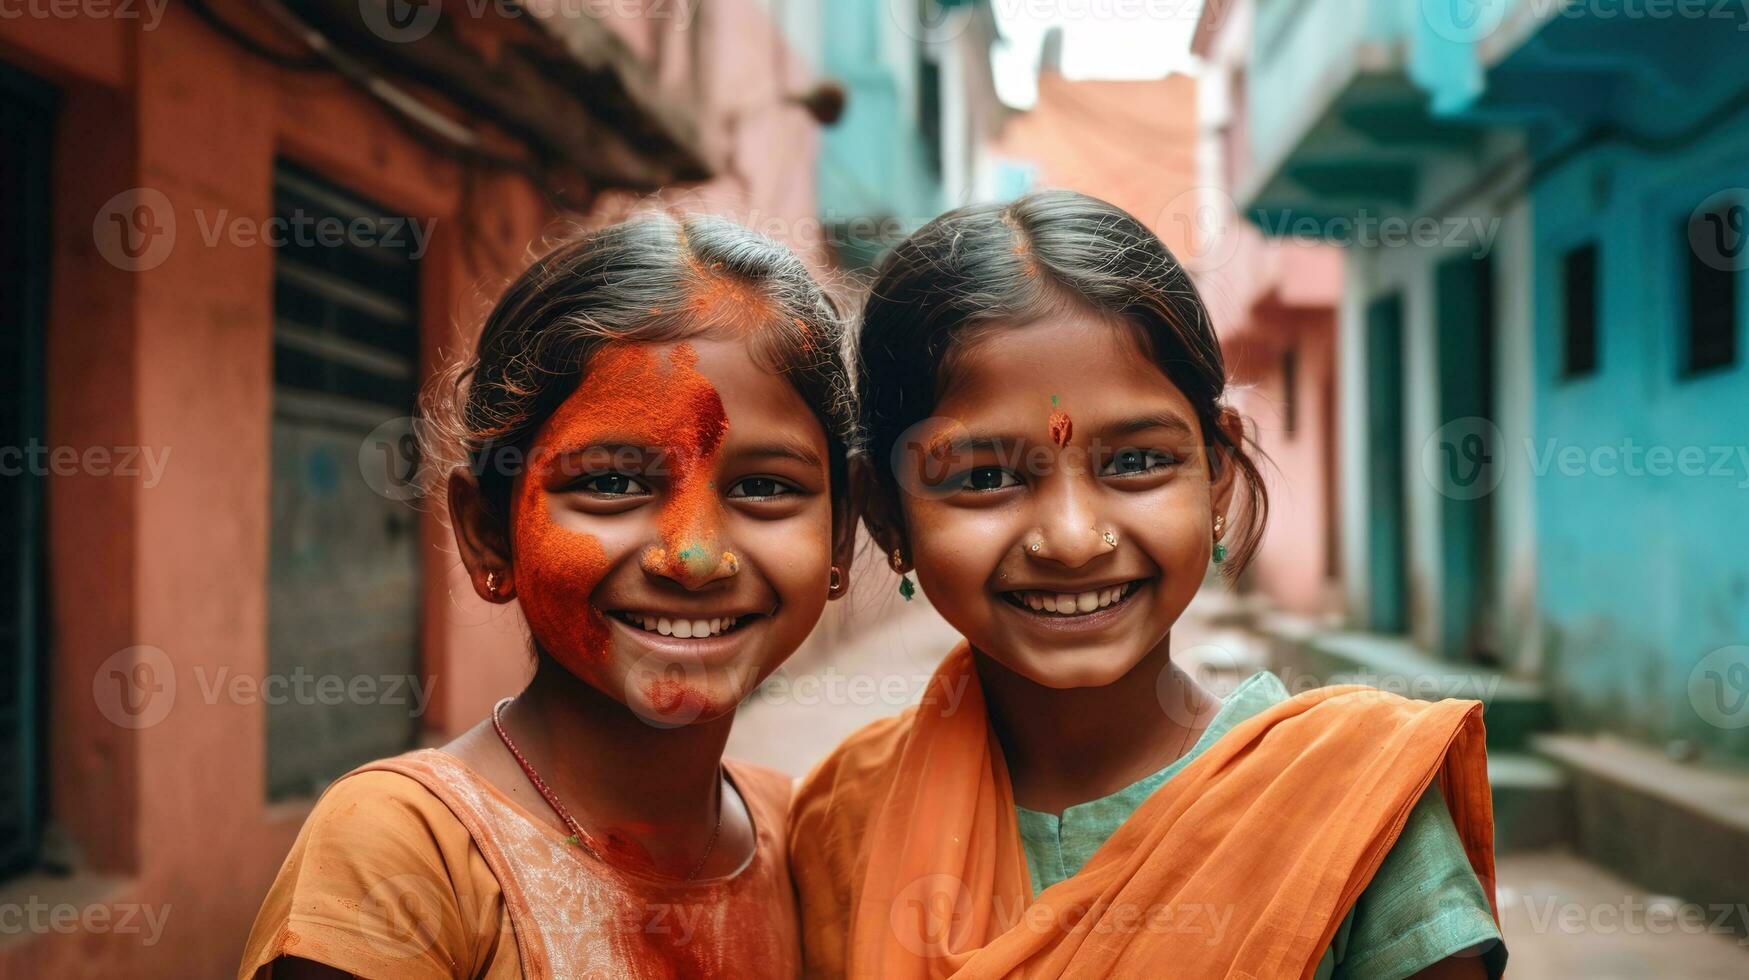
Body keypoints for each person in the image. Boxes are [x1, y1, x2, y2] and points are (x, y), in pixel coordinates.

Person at [789, 190, 1505, 979]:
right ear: (887, 518)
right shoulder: (841, 818)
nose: (1071, 540)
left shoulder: (1355, 808)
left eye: (1134, 462)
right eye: (985, 475)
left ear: (1218, 474)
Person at [241, 213, 856, 979]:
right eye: (610, 483)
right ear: (487, 531)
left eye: (765, 488)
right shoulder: (409, 852)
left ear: (840, 536)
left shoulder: (803, 840)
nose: (693, 558)